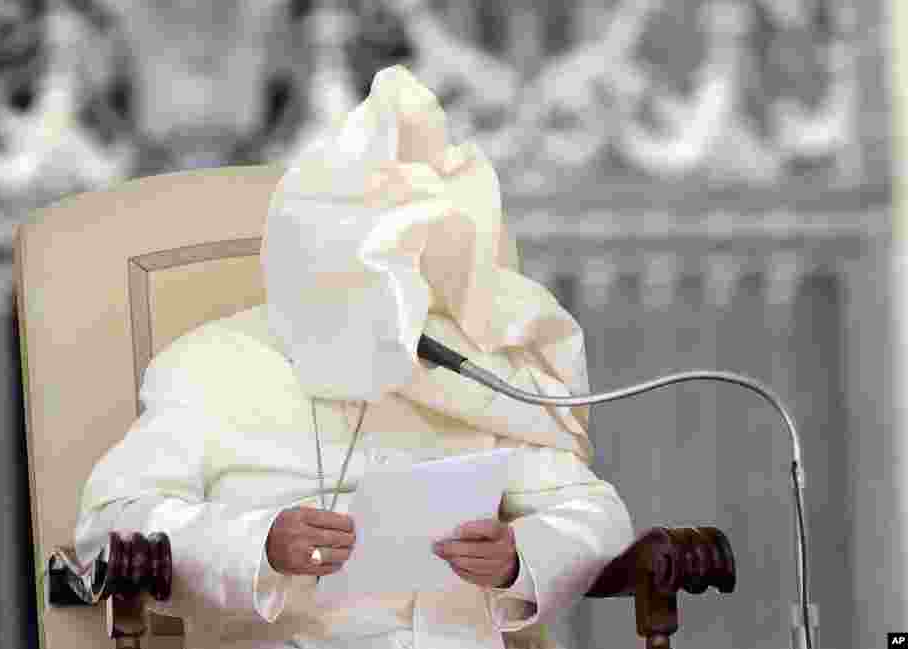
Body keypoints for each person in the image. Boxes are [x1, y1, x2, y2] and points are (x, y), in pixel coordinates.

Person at [74, 65, 633, 649]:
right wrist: (258, 544)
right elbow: (109, 525)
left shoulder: (464, 368)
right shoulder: (209, 366)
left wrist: (520, 556)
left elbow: (595, 515)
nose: (401, 304)